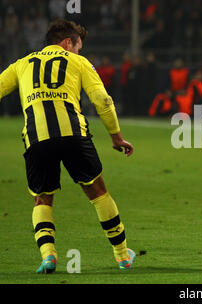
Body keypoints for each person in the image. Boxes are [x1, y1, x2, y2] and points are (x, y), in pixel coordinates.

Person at [0, 19, 136, 273]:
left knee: (43, 199)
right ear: (67, 42)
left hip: (36, 138)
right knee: (98, 193)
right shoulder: (78, 62)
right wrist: (116, 137)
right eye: (78, 46)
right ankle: (122, 256)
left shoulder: (21, 64)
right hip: (73, 134)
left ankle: (48, 256)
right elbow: (102, 100)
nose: (78, 52)